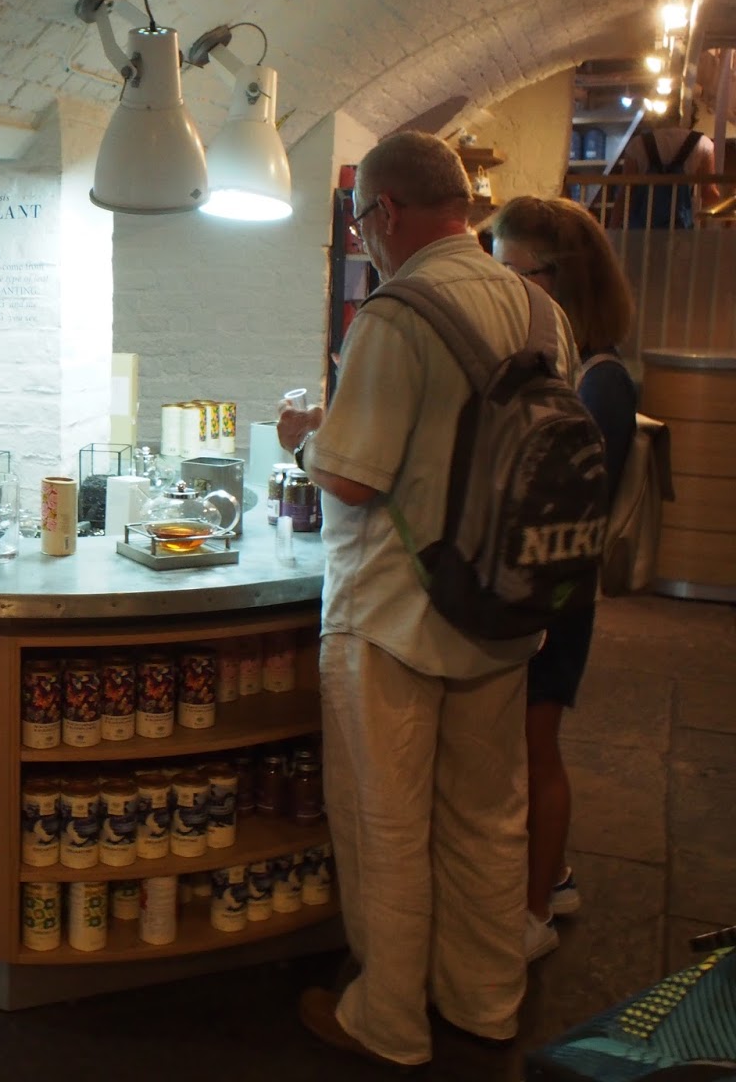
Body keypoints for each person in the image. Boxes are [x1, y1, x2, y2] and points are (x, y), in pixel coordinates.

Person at [277, 131, 579, 1068]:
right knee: (489, 815)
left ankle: (389, 1020)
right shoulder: (539, 311)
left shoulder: (397, 312)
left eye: (362, 221)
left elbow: (355, 477)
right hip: (504, 605)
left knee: (386, 824)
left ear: (388, 212)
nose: (363, 238)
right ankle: (485, 1000)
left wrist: (304, 438)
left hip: (395, 616)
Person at [489, 196, 637, 961]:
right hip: (550, 588)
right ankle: (554, 877)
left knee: (535, 747)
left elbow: (563, 505)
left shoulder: (599, 382)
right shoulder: (580, 369)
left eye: (511, 273)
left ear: (556, 278)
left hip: (556, 594)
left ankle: (534, 913)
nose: (502, 289)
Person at [612, 107, 720, 228]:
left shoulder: (637, 143)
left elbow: (626, 193)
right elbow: (708, 193)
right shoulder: (703, 143)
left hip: (643, 226)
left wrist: (612, 229)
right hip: (680, 225)